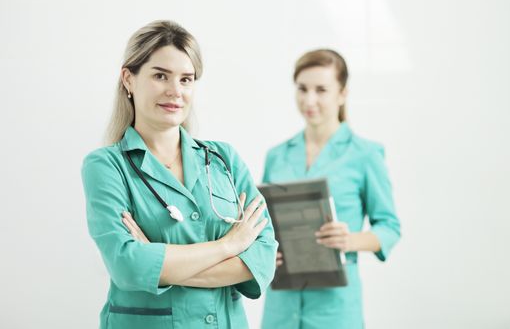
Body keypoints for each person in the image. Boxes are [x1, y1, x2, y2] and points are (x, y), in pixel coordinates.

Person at [81, 20, 277, 329]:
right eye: (161, 76)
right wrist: (227, 247)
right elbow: (127, 266)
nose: (175, 91)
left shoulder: (224, 159)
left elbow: (263, 258)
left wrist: (160, 262)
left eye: (186, 79)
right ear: (128, 80)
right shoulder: (106, 166)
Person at [261, 49, 401, 329]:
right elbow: (262, 222)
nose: (309, 100)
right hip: (281, 307)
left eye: (321, 90)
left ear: (342, 93)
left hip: (334, 310)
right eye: (302, 89)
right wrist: (262, 248)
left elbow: (389, 227)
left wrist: (350, 240)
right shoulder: (276, 155)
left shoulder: (365, 155)